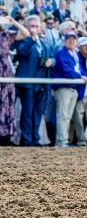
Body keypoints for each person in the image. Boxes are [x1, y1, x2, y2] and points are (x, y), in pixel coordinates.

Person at [10, 14, 49, 146]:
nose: (34, 28)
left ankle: (35, 138)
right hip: (27, 83)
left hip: (41, 83)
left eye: (37, 26)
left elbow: (52, 55)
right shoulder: (22, 41)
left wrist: (52, 61)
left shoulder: (43, 42)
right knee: (27, 112)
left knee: (37, 113)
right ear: (26, 27)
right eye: (32, 26)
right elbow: (21, 53)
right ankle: (26, 139)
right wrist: (31, 38)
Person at [51, 32, 84, 147]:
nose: (71, 41)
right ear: (64, 41)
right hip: (63, 88)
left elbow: (80, 70)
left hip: (73, 89)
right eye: (69, 39)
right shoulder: (61, 53)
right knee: (63, 116)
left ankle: (63, 140)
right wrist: (81, 77)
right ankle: (61, 141)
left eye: (73, 39)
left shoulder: (75, 54)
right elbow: (67, 71)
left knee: (67, 116)